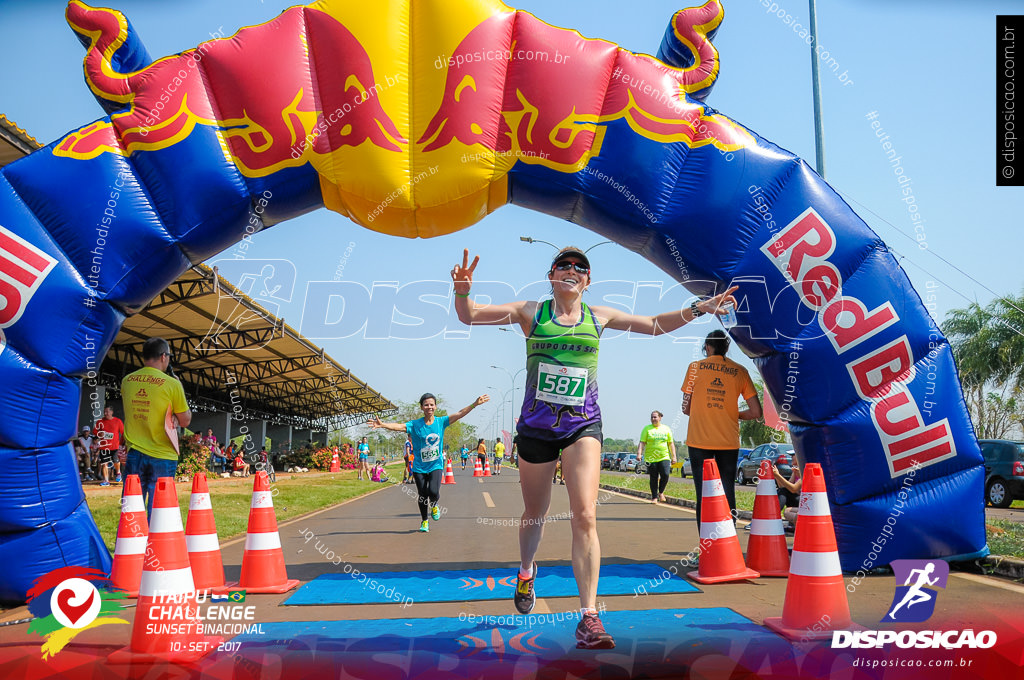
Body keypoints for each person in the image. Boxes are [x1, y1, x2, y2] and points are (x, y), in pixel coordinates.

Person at [451, 246, 736, 650]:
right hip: (535, 428)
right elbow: (471, 315)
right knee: (535, 512)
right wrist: (463, 292)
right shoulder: (530, 312)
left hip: (583, 425)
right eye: (563, 265)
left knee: (585, 513)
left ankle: (589, 617)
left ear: (588, 280)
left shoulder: (598, 316)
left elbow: (655, 323)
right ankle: (527, 569)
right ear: (551, 275)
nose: (571, 270)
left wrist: (699, 308)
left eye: (579, 267)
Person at [368, 393, 488, 532]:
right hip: (419, 467)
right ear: (421, 407)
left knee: (433, 491)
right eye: (426, 404)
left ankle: (435, 504)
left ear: (435, 407)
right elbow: (399, 426)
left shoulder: (441, 422)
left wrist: (474, 404)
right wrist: (382, 425)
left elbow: (460, 413)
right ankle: (424, 521)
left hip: (436, 465)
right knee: (422, 494)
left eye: (431, 404)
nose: (429, 407)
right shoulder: (415, 424)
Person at [681, 330, 762, 523]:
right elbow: (756, 412)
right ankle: (729, 541)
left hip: (699, 440)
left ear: (707, 347)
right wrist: (732, 414)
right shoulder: (740, 371)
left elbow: (685, 408)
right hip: (728, 441)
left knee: (703, 493)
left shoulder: (694, 368)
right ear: (726, 348)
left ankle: (706, 548)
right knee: (727, 489)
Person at [121, 337, 191, 515]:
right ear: (163, 357)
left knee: (131, 509)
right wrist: (179, 389)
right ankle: (155, 543)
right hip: (163, 455)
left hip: (134, 453)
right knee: (159, 513)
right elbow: (185, 421)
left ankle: (130, 542)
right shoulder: (172, 384)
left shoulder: (127, 381)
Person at [638, 410, 676, 503]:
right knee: (653, 477)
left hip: (664, 456)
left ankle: (661, 492)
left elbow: (671, 443)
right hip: (651, 458)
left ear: (660, 418)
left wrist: (673, 456)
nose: (653, 419)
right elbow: (642, 442)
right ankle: (654, 497)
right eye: (652, 417)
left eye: (655, 417)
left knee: (666, 474)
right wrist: (639, 453)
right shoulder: (647, 429)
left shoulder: (666, 429)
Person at [93, 406, 126, 486]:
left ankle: (118, 472)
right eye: (105, 412)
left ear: (112, 412)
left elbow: (123, 433)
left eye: (107, 412)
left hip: (114, 446)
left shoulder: (117, 421)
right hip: (104, 447)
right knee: (104, 463)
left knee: (116, 461)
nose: (105, 413)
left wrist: (121, 443)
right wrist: (99, 434)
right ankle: (106, 481)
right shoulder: (100, 421)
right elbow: (94, 431)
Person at [772, 451, 802, 530]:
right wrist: (777, 476)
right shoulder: (795, 471)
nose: (791, 457)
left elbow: (793, 489)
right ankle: (772, 515)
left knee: (783, 491)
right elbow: (785, 487)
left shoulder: (804, 470)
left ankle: (772, 516)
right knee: (783, 491)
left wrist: (778, 475)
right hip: (799, 500)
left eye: (793, 455)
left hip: (805, 501)